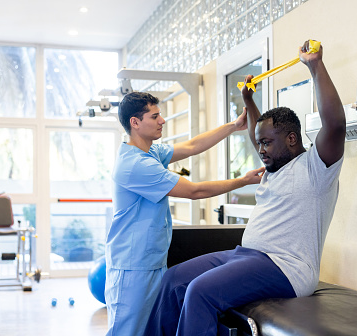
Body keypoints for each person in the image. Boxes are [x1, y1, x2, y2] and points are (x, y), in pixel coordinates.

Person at [143, 40, 346, 336]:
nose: (260, 149)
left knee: (200, 291)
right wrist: (248, 100)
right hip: (246, 254)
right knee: (174, 280)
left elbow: (336, 124)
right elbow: (256, 133)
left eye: (266, 142)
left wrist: (315, 66)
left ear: (291, 138)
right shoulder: (273, 168)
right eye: (259, 142)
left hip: (286, 268)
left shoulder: (316, 168)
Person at [105, 91, 265, 336]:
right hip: (132, 268)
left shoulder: (150, 152)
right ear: (135, 123)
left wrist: (233, 126)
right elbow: (195, 191)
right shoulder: (136, 165)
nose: (162, 121)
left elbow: (192, 146)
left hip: (151, 262)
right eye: (155, 116)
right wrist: (242, 182)